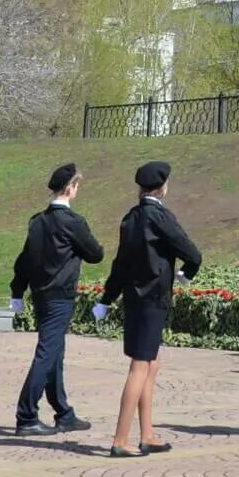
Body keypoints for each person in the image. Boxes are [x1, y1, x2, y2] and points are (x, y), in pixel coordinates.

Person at [98, 160, 201, 458]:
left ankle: (147, 434)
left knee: (151, 364)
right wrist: (186, 273)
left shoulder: (130, 218)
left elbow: (120, 264)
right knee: (140, 366)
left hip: (133, 297)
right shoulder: (160, 217)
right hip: (153, 299)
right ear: (162, 187)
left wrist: (106, 298)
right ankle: (120, 439)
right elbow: (192, 252)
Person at [8, 164, 105, 437]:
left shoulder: (37, 220)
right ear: (70, 188)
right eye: (77, 186)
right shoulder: (72, 222)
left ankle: (63, 412)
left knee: (54, 354)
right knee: (46, 354)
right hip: (60, 294)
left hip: (40, 293)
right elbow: (95, 253)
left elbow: (24, 259)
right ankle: (26, 415)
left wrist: (18, 290)